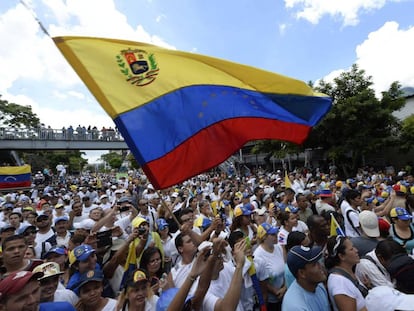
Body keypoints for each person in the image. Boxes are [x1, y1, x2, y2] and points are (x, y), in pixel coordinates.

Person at [325, 236, 367, 311]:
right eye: (351, 249)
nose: (356, 250)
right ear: (341, 256)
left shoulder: (348, 273)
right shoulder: (340, 284)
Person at [282, 245, 330, 311]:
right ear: (302, 273)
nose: (320, 266)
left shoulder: (318, 285)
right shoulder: (295, 306)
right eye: (314, 264)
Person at [0, 270, 75, 311]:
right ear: (2, 307)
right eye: (22, 298)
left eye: (35, 291)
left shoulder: (63, 309)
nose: (32, 300)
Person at [253, 222, 286, 310]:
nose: (276, 236)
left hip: (284, 294)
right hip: (271, 300)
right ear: (264, 237)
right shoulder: (258, 256)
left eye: (276, 233)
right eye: (272, 234)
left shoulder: (278, 247)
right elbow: (261, 280)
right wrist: (276, 292)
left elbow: (285, 267)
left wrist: (284, 287)